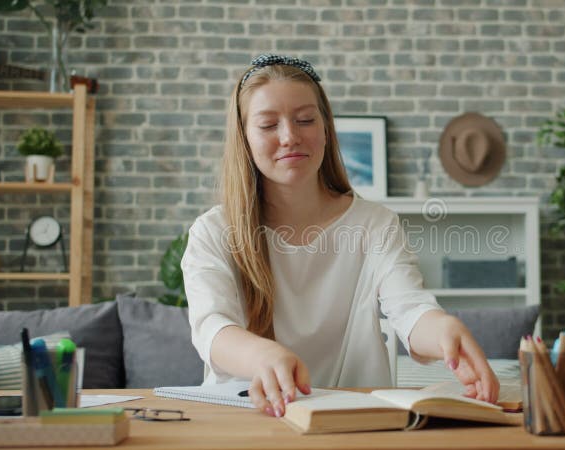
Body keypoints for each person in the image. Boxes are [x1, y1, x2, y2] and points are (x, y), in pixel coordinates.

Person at [182, 54, 499, 418]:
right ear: (244, 137)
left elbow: (410, 310)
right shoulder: (213, 232)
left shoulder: (375, 224)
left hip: (354, 421)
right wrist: (263, 355)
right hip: (247, 420)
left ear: (326, 128)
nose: (289, 137)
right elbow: (212, 328)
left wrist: (444, 329)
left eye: (305, 120)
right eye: (268, 125)